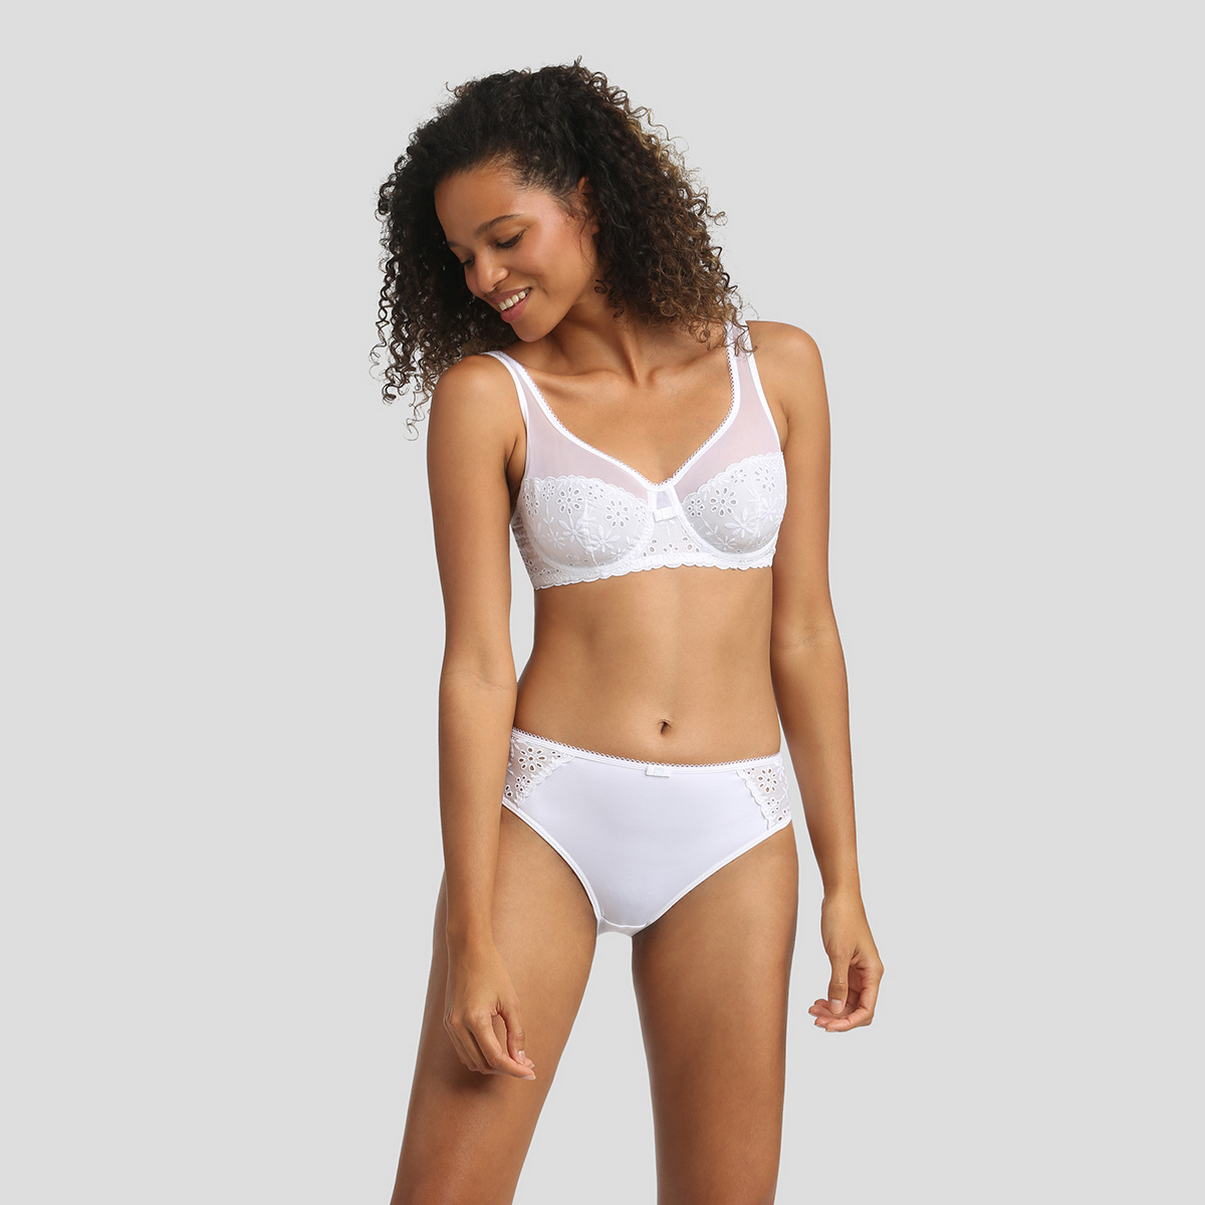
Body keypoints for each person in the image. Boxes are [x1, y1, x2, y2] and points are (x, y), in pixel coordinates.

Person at [374, 59, 884, 1205]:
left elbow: (804, 631)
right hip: (546, 815)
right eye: (461, 256)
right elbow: (475, 667)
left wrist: (843, 878)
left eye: (505, 237)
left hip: (735, 825)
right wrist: (469, 932)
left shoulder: (778, 367)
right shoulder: (487, 398)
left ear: (589, 198)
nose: (484, 276)